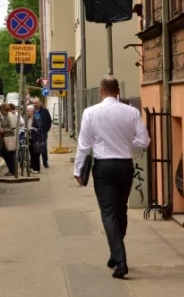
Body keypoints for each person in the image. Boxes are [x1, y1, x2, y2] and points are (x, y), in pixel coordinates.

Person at [73, 76, 150, 279]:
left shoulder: (90, 113)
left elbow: (84, 145)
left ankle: (121, 260)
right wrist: (126, 146)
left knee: (108, 212)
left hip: (104, 166)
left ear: (101, 91)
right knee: (121, 209)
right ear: (118, 91)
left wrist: (78, 171)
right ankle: (115, 253)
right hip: (125, 165)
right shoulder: (132, 112)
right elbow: (144, 141)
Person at [32, 97, 53, 168]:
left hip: (43, 131)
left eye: (36, 103)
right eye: (34, 103)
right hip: (34, 132)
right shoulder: (32, 111)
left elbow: (49, 120)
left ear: (40, 103)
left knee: (43, 146)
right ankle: (35, 162)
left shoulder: (44, 111)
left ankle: (45, 161)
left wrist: (46, 129)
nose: (35, 104)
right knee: (35, 146)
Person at [0, 103, 17, 176]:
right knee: (6, 153)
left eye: (1, 109)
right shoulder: (6, 115)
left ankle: (12, 170)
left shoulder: (9, 116)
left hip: (9, 138)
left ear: (4, 109)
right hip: (6, 137)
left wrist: (4, 130)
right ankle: (11, 170)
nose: (0, 111)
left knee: (8, 154)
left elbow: (13, 128)